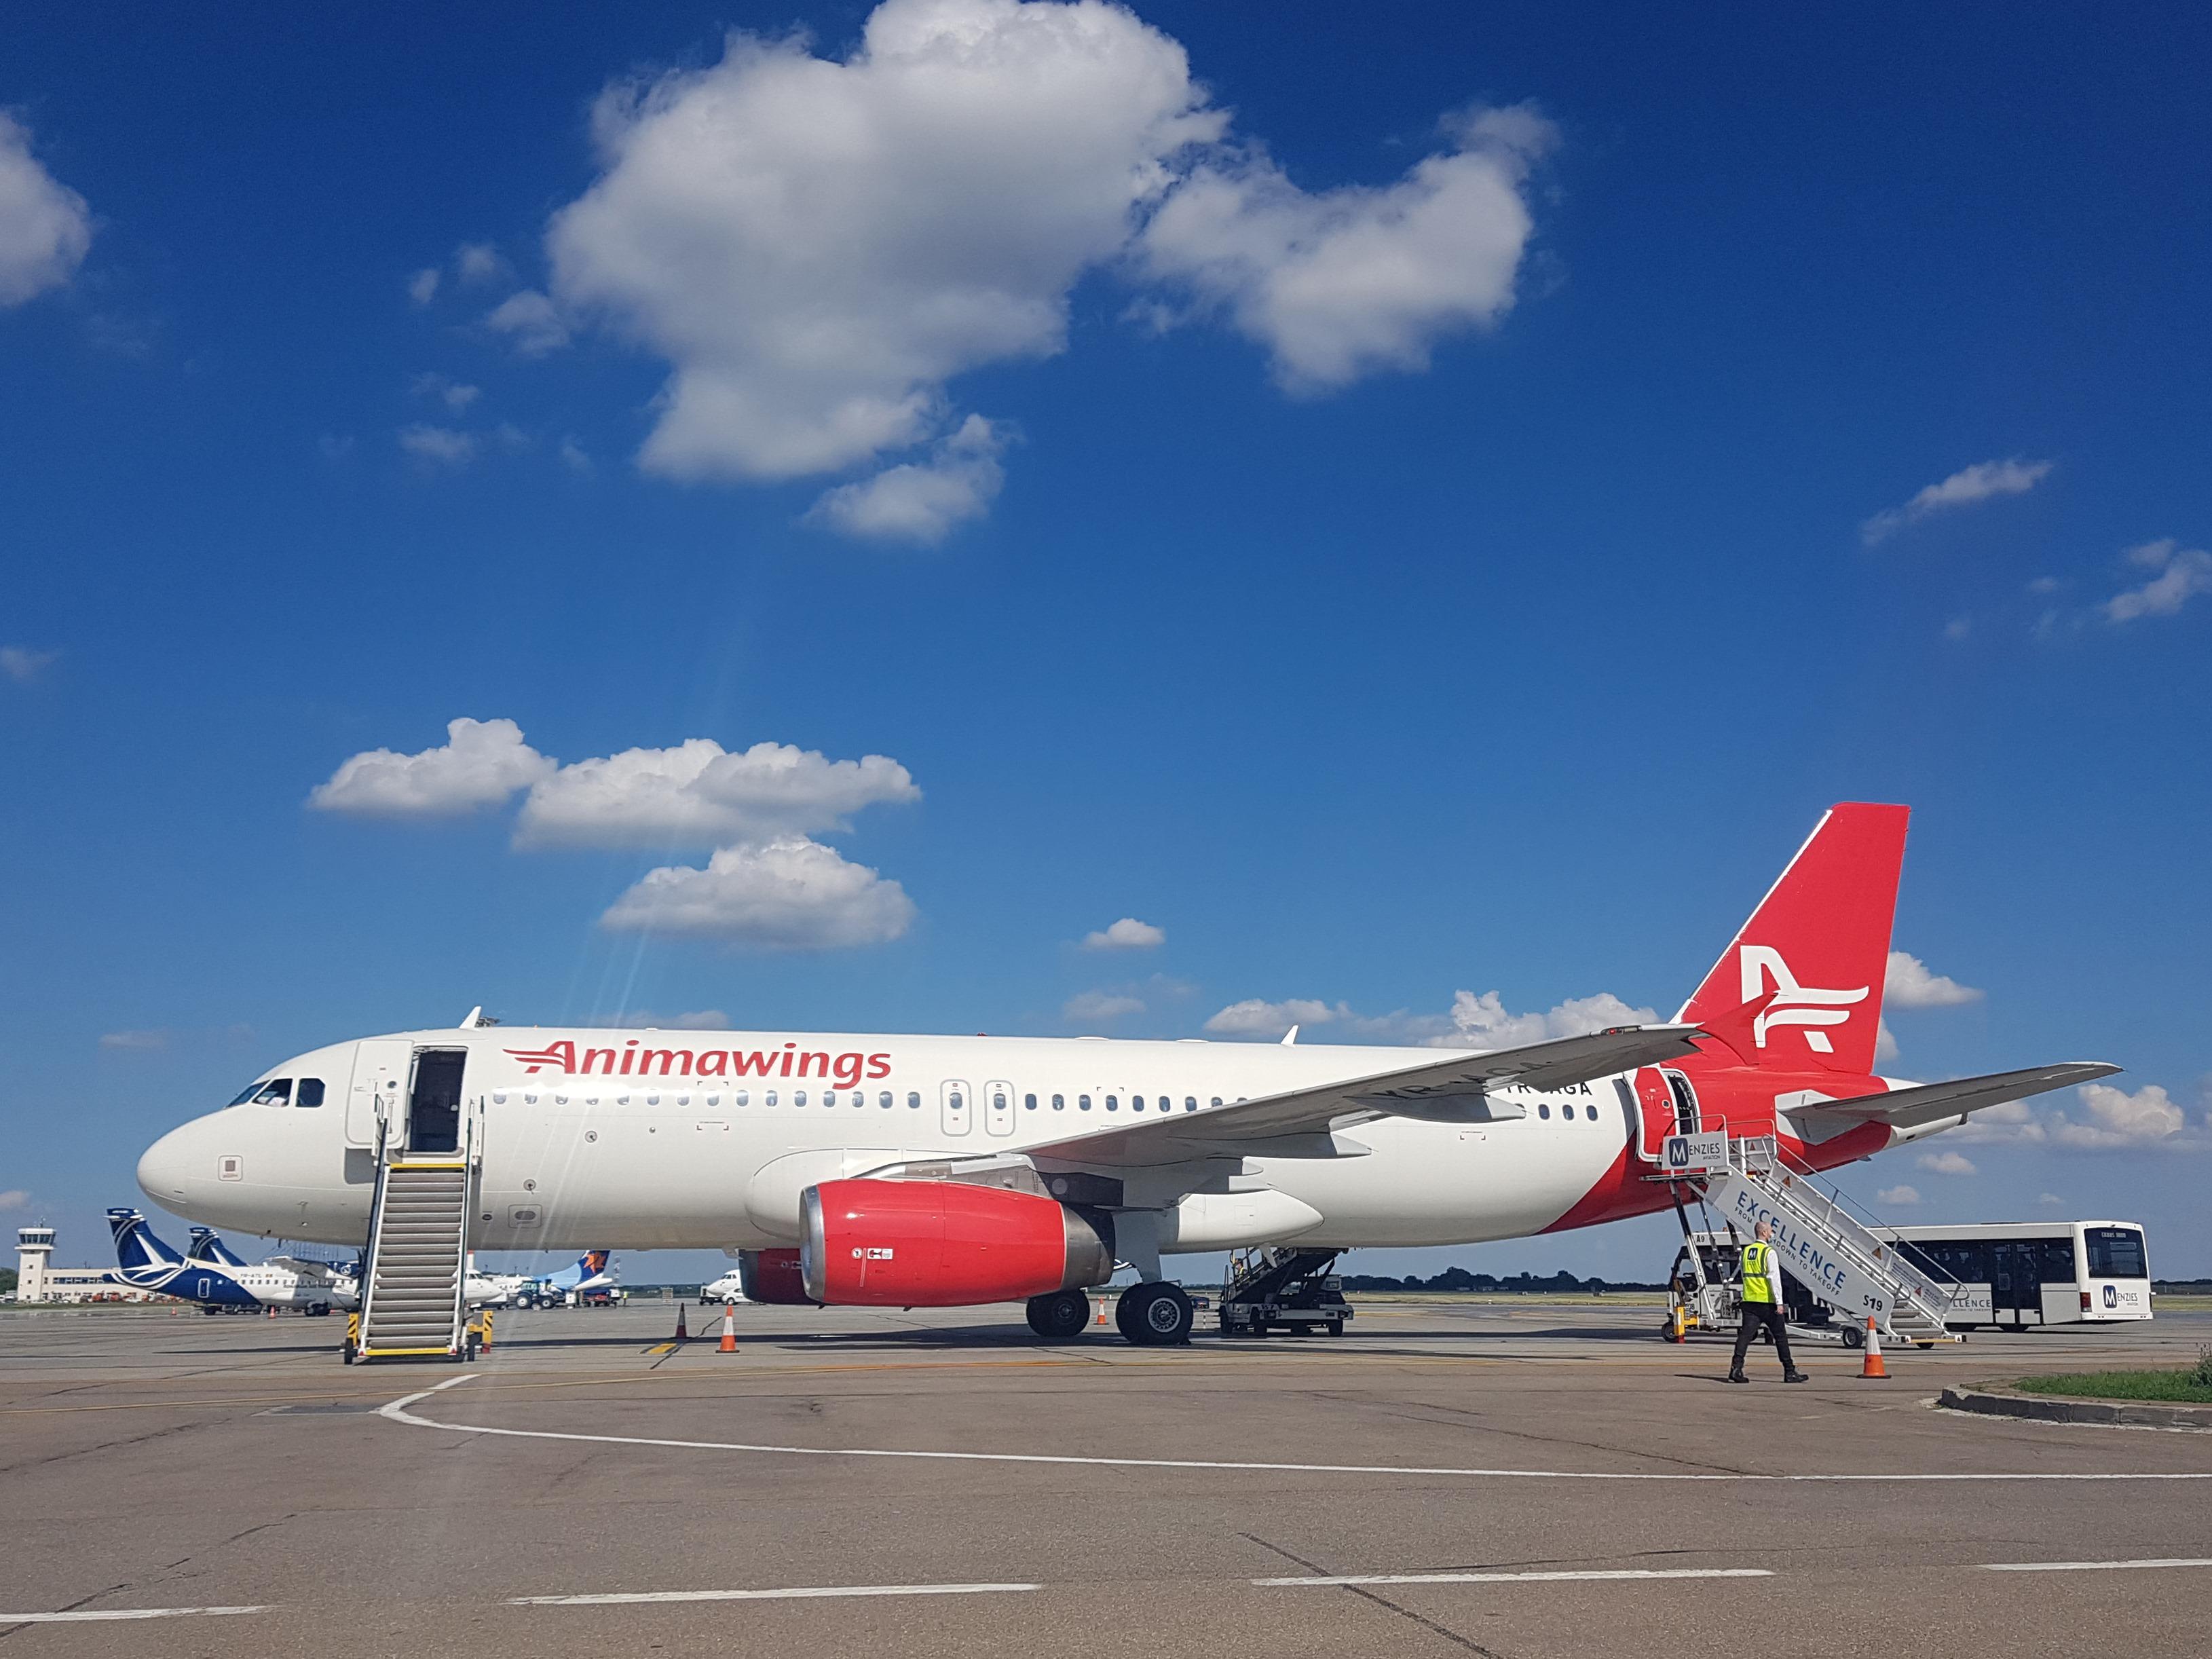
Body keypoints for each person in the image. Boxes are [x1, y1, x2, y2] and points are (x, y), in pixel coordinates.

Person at [1727, 1220, 1807, 1383]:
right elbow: (1774, 1278)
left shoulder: (1746, 1252)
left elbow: (1744, 1275)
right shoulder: (1769, 1252)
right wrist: (1779, 1302)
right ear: (1764, 1233)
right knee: (1781, 1338)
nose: (1772, 1234)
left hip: (1750, 1301)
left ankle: (1736, 1368)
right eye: (1771, 1231)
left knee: (1745, 1337)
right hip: (1767, 1303)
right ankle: (1789, 1371)